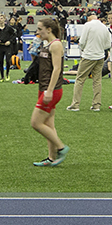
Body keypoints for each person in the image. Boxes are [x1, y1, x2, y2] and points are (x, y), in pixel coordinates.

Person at [29, 17, 68, 167]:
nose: (38, 32)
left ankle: (61, 147)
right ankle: (52, 158)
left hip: (51, 90)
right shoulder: (47, 44)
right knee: (48, 125)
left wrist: (50, 91)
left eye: (40, 29)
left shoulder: (56, 45)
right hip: (44, 88)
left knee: (36, 123)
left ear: (49, 29)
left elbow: (57, 69)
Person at [67, 12, 111, 112]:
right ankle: (96, 105)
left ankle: (75, 104)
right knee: (97, 81)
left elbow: (82, 41)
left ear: (89, 18)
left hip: (88, 56)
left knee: (80, 80)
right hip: (100, 56)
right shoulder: (104, 27)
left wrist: (83, 49)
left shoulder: (88, 25)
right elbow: (108, 44)